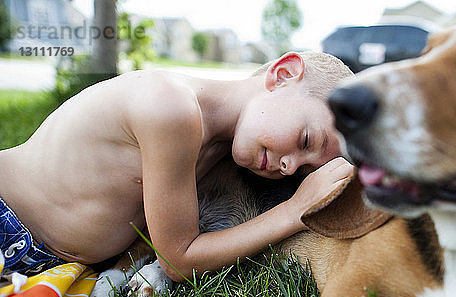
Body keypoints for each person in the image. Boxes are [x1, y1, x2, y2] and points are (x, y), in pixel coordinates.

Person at [0, 51, 355, 281]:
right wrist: (295, 209)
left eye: (306, 170)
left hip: (36, 254)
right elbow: (179, 261)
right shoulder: (173, 109)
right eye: (307, 140)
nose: (291, 167)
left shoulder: (218, 150)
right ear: (283, 74)